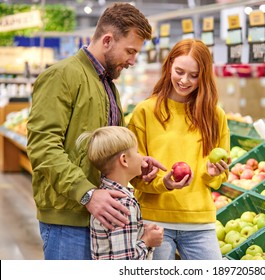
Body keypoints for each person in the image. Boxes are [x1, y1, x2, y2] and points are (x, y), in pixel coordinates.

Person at [26, 2, 166, 260]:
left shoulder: (107, 85)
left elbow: (109, 149)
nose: (133, 61)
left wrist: (135, 164)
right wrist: (87, 193)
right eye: (130, 51)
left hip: (99, 218)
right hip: (68, 220)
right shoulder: (62, 76)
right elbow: (43, 147)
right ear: (108, 40)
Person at [128, 39, 231, 260]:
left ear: (204, 76)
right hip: (154, 221)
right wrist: (162, 182)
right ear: (169, 67)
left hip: (199, 221)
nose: (184, 81)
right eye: (179, 71)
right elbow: (135, 175)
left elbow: (220, 173)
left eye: (194, 75)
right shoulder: (145, 112)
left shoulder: (215, 116)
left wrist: (211, 173)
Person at [76, 126, 164, 260]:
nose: (142, 158)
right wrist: (147, 241)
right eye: (137, 152)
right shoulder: (123, 204)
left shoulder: (105, 195)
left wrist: (140, 232)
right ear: (124, 160)